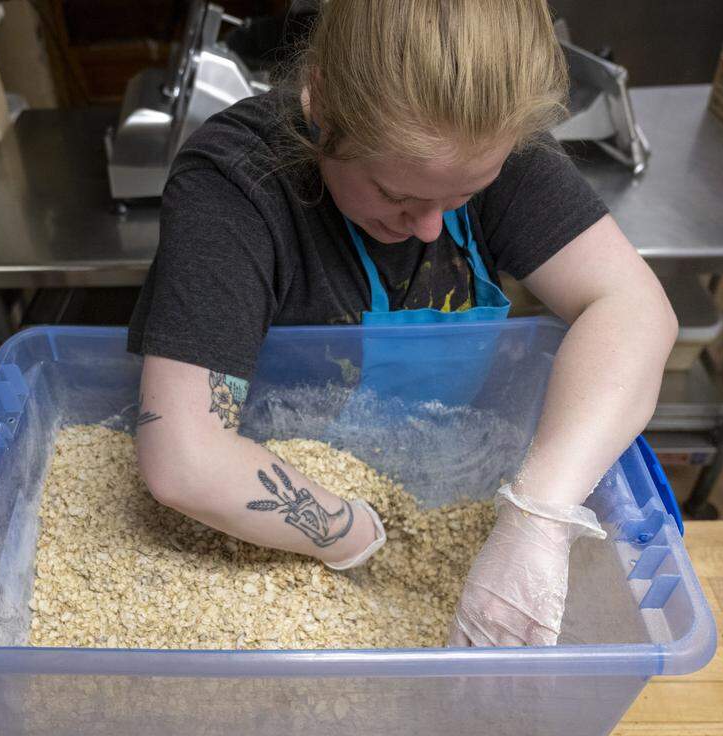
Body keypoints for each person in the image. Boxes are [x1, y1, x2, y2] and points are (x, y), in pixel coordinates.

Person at [128, 0, 678, 646]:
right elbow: (184, 461)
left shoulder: (485, 137)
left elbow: (635, 308)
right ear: (321, 103)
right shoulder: (233, 185)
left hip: (437, 469)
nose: (429, 228)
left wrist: (541, 512)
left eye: (466, 197)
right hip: (251, 507)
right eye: (397, 196)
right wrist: (356, 534)